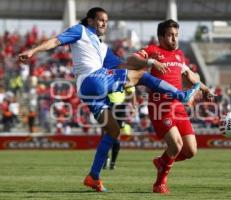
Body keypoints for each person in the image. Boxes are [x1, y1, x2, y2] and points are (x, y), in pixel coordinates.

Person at [18, 7, 200, 192]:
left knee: (113, 130)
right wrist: (33, 51)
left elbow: (123, 64)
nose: (105, 23)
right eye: (101, 20)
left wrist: (143, 67)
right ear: (90, 21)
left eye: (106, 20)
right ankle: (180, 95)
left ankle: (93, 176)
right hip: (93, 79)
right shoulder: (80, 30)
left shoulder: (102, 47)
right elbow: (56, 41)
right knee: (142, 76)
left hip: (88, 92)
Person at [127, 19, 215, 193]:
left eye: (176, 35)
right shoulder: (153, 50)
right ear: (161, 37)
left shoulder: (179, 55)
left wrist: (204, 89)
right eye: (170, 35)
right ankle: (159, 184)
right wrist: (150, 62)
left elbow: (190, 76)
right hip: (160, 107)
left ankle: (162, 161)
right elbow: (131, 60)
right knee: (176, 145)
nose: (174, 39)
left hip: (178, 107)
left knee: (190, 151)